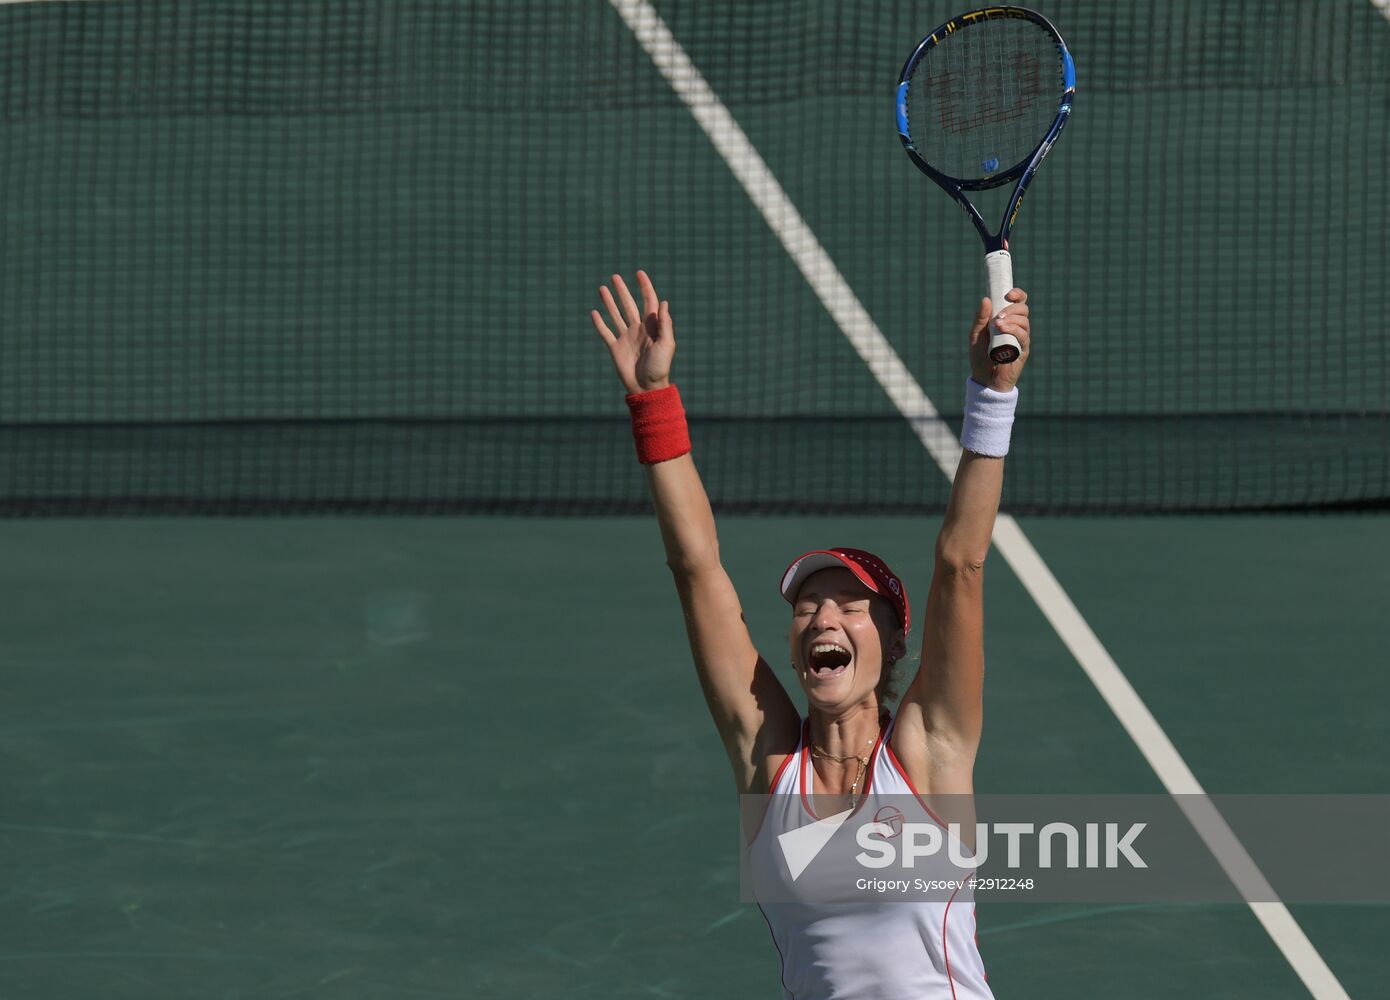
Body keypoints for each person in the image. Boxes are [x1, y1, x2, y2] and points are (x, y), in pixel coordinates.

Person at [589, 270, 1029, 999]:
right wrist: (652, 399)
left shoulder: (930, 747)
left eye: (851, 607)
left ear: (891, 645)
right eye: (808, 607)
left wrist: (993, 395)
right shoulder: (768, 765)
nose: (825, 617)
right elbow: (697, 571)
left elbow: (961, 563)